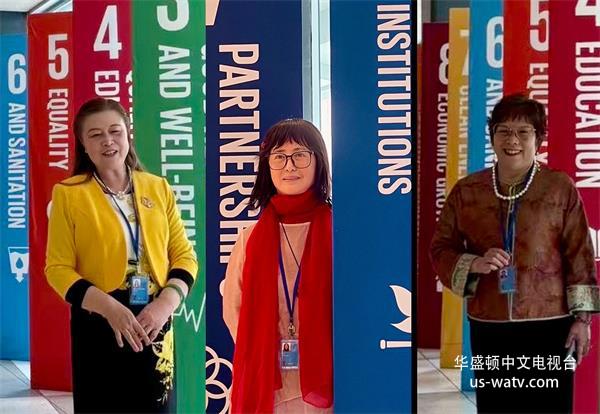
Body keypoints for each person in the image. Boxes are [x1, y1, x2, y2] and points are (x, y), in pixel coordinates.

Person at [430, 93, 599, 413]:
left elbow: (580, 254)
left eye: (524, 132)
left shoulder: (559, 188)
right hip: (489, 323)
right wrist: (473, 263)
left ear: (539, 139)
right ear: (492, 136)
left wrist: (582, 320)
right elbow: (440, 248)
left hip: (550, 324)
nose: (513, 140)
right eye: (504, 131)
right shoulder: (467, 191)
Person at [45, 98, 198, 413]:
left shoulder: (158, 187)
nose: (108, 141)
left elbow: (184, 256)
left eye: (115, 131)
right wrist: (109, 308)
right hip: (99, 321)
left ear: (128, 134)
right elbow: (57, 269)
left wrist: (165, 305)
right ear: (83, 144)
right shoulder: (69, 194)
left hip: (154, 320)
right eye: (96, 134)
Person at [223, 119, 333, 413]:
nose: (289, 166)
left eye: (300, 155)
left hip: (330, 380)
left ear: (318, 161)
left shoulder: (340, 234)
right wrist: (262, 352)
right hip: (266, 383)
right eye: (279, 156)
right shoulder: (249, 239)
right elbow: (233, 309)